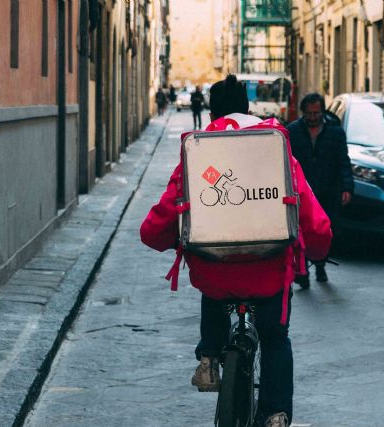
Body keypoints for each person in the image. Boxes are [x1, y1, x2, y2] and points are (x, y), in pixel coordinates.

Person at [140, 75, 331, 427]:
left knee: (212, 279)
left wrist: (157, 237)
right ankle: (275, 412)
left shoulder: (200, 150)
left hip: (216, 274)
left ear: (212, 110)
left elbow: (169, 211)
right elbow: (308, 210)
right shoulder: (274, 144)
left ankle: (209, 358)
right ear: (247, 107)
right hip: (269, 272)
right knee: (275, 337)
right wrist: (319, 246)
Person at [286, 93, 354, 288]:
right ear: (303, 112)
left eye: (316, 113)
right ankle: (303, 271)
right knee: (303, 232)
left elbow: (343, 161)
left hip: (328, 190)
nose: (313, 117)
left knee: (323, 232)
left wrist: (347, 187)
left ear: (322, 112)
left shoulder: (335, 132)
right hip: (303, 192)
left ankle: (320, 265)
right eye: (309, 113)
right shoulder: (293, 132)